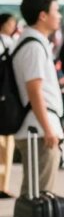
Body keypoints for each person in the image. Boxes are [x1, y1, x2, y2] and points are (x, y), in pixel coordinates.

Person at [12, 0, 64, 197]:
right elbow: (34, 90)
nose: (59, 16)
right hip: (38, 131)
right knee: (37, 194)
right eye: (56, 11)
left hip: (38, 129)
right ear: (43, 15)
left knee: (37, 193)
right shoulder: (33, 46)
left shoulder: (35, 42)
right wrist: (48, 128)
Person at [0, 13, 18, 199]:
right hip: (6, 99)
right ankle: (2, 185)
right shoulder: (9, 43)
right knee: (6, 143)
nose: (13, 25)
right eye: (11, 22)